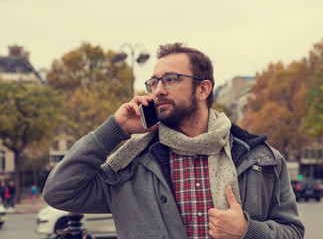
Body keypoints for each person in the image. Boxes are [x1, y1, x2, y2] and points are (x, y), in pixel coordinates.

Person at [43, 42, 304, 238]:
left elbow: (293, 232)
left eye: (170, 79)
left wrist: (249, 231)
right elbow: (59, 192)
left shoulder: (261, 158)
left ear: (203, 89)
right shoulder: (131, 166)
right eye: (154, 82)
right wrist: (116, 129)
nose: (159, 90)